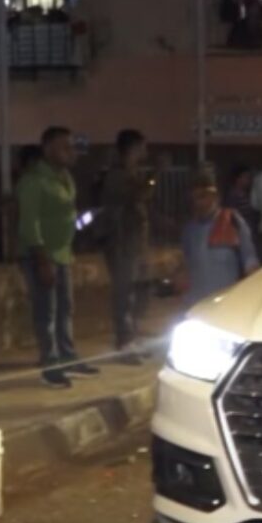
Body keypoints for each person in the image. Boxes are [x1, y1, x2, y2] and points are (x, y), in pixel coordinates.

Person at [16, 126, 99, 388]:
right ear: (48, 149)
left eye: (72, 146)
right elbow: (30, 223)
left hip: (63, 253)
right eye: (65, 147)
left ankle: (67, 355)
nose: (71, 152)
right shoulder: (33, 181)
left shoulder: (64, 177)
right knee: (47, 311)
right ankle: (50, 365)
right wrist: (42, 260)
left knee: (65, 308)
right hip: (42, 255)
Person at [100, 130, 153, 363]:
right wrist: (155, 175)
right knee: (124, 294)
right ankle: (124, 344)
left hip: (133, 241)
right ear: (133, 148)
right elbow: (136, 195)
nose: (145, 152)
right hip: (121, 242)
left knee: (135, 293)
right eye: (142, 147)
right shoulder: (117, 175)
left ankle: (131, 338)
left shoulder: (131, 173)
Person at [179, 173, 261, 307]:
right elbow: (187, 267)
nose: (199, 202)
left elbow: (250, 262)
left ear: (215, 196)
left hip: (226, 306)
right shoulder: (190, 230)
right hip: (197, 307)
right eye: (194, 198)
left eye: (203, 196)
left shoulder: (232, 221)